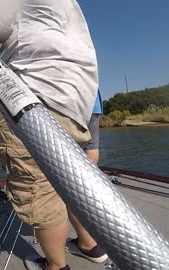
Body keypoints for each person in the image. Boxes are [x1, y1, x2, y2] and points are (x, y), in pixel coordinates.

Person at [0, 1, 98, 269]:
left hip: (29, 101)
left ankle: (55, 266)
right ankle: (90, 245)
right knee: (68, 182)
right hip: (76, 103)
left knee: (38, 191)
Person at [66, 90, 108, 263]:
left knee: (67, 181)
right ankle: (96, 233)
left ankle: (87, 243)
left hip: (64, 102)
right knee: (91, 150)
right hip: (91, 100)